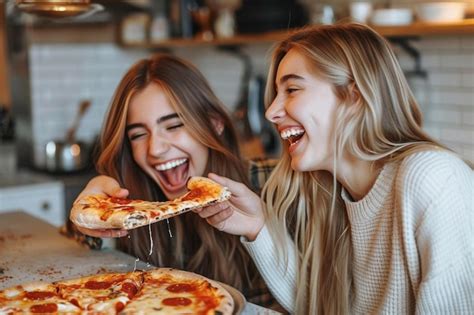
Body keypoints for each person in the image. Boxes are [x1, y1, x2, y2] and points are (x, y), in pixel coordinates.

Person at [196, 23, 473, 314]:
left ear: (353, 97)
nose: (271, 112)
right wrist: (259, 226)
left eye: (292, 89)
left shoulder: (433, 177)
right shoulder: (332, 194)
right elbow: (318, 307)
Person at [70, 53, 282, 310]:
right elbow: (73, 246)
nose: (155, 149)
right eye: (138, 134)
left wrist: (262, 231)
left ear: (214, 124)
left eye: (173, 126)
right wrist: (92, 216)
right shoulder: (133, 202)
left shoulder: (273, 183)